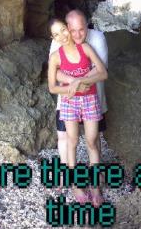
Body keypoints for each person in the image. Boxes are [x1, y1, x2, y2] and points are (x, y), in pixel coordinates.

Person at [48, 18, 107, 206]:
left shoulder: (86, 48)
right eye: (56, 34)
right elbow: (52, 87)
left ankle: (95, 187)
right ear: (53, 37)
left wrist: (79, 82)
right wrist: (70, 88)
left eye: (64, 30)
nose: (62, 36)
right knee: (72, 141)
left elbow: (103, 73)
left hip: (90, 99)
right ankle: (75, 185)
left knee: (92, 141)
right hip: (69, 102)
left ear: (69, 29)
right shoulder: (55, 57)